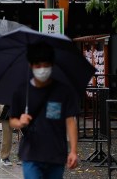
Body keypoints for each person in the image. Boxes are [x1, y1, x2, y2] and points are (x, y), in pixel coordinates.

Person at [9, 42, 79, 178]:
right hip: (31, 154)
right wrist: (20, 123)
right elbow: (12, 120)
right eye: (38, 66)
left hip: (56, 153)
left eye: (46, 65)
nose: (42, 69)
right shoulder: (22, 91)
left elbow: (70, 121)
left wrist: (74, 151)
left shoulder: (63, 91)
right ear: (31, 66)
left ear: (52, 65)